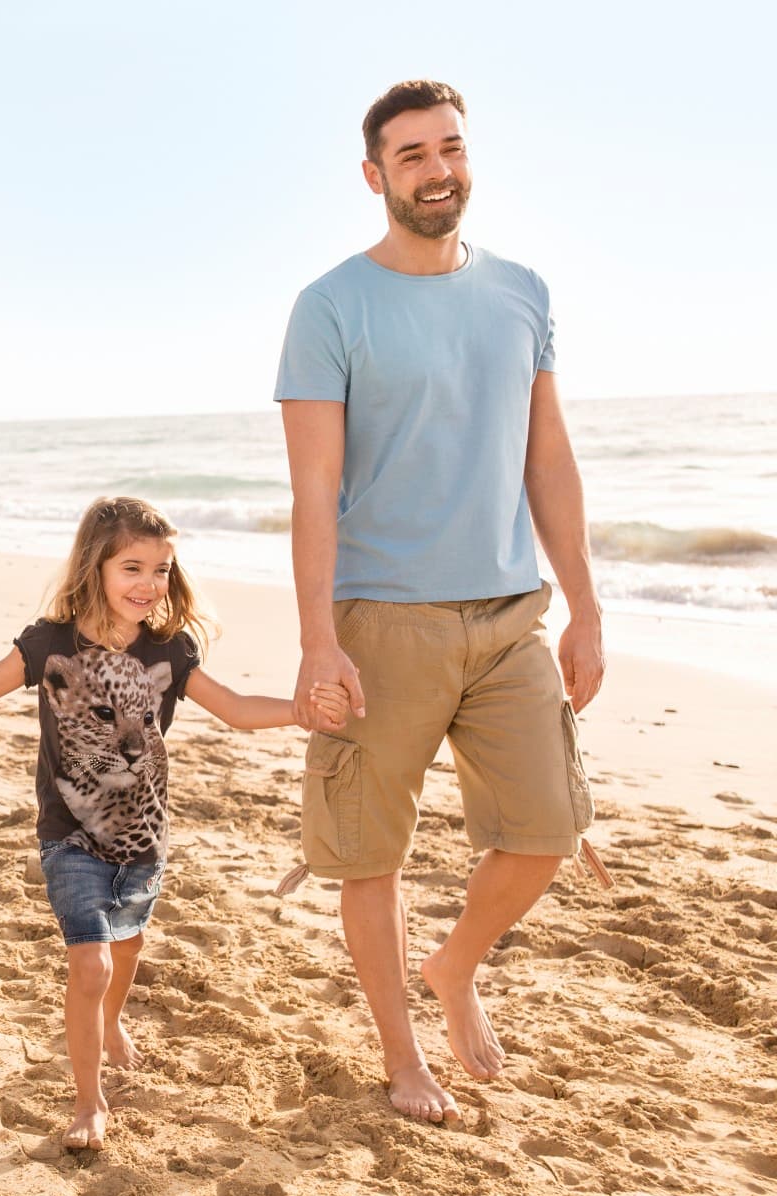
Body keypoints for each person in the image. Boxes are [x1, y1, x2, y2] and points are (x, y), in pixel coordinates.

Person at [275, 80, 606, 1124]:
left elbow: (547, 457)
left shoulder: (522, 292)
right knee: (372, 853)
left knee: (549, 825)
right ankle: (403, 1058)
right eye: (411, 154)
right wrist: (318, 639)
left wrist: (587, 609)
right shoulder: (331, 305)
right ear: (375, 176)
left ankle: (453, 964)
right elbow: (314, 487)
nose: (436, 169)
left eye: (449, 148)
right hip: (382, 620)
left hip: (511, 614)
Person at [0, 497, 348, 1149]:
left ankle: (113, 1021)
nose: (150, 584)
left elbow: (233, 709)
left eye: (162, 570)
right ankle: (89, 1104)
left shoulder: (170, 649)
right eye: (133, 568)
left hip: (142, 839)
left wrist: (301, 713)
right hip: (68, 835)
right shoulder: (50, 642)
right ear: (95, 568)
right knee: (89, 964)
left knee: (128, 948)